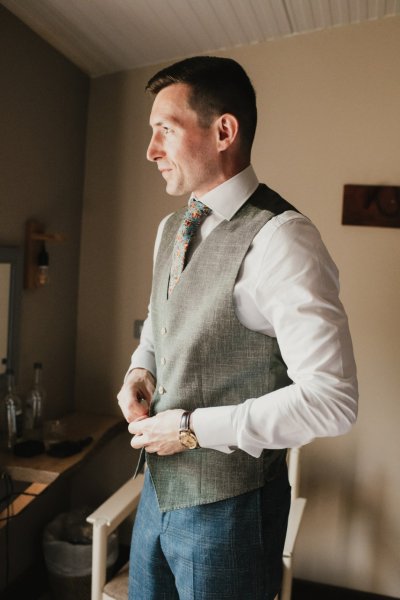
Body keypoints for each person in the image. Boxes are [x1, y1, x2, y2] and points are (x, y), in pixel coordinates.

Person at [117, 56, 358, 600]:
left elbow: (333, 400)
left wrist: (190, 429)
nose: (150, 151)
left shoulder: (283, 240)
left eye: (165, 131)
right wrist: (141, 367)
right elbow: (161, 319)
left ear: (224, 130)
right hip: (155, 494)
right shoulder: (170, 229)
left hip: (231, 512)